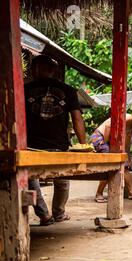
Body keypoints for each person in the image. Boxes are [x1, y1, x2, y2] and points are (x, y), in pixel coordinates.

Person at [25, 55, 87, 226]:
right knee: (62, 181)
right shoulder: (67, 90)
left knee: (31, 180)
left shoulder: (24, 89)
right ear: (53, 71)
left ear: (35, 69)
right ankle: (58, 213)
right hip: (58, 145)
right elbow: (77, 119)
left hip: (30, 146)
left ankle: (44, 215)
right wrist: (83, 145)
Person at [91, 114, 132, 202]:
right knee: (110, 167)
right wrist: (105, 143)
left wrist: (127, 158)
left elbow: (126, 146)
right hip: (100, 138)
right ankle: (99, 194)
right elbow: (108, 126)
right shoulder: (129, 118)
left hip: (110, 143)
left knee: (125, 166)